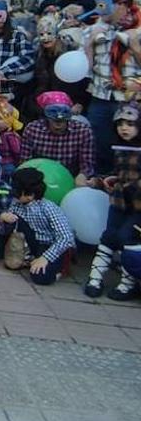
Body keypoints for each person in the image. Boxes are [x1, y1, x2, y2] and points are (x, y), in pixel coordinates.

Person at [84, 104, 141, 299]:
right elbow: (120, 174)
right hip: (119, 202)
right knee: (109, 236)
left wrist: (132, 185)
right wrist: (108, 180)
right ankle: (95, 278)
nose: (125, 128)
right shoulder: (120, 149)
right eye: (121, 124)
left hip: (138, 206)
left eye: (131, 124)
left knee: (128, 237)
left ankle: (128, 283)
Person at [0, 166, 76, 285]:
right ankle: (28, 256)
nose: (13, 192)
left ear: (30, 194)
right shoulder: (16, 205)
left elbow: (66, 238)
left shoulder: (48, 208)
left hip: (53, 247)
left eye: (17, 190)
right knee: (12, 221)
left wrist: (46, 257)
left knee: (40, 276)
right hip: (34, 243)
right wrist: (3, 216)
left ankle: (61, 269)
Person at [20, 91, 95, 184]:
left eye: (62, 120)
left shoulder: (83, 131)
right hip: (40, 180)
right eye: (54, 120)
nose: (58, 124)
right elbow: (25, 161)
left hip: (70, 179)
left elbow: (87, 165)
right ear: (46, 115)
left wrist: (82, 176)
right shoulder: (32, 129)